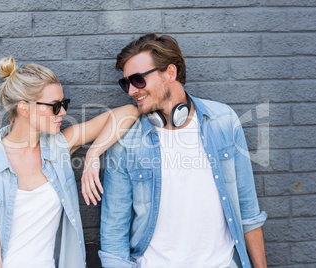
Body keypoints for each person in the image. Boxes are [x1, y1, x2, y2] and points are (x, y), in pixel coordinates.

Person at [98, 34, 268, 268]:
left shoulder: (223, 121)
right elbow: (113, 231)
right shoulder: (126, 139)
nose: (131, 91)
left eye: (137, 80)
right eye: (125, 83)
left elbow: (248, 212)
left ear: (170, 72)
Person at [0, 57, 139, 268]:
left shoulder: (59, 147)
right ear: (24, 108)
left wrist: (93, 153)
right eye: (55, 106)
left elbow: (129, 113)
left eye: (63, 104)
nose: (63, 112)